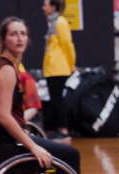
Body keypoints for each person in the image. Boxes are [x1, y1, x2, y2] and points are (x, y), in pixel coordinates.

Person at [0, 17, 95, 174]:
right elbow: (4, 117)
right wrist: (34, 146)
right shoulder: (6, 69)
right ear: (3, 39)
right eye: (13, 34)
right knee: (69, 155)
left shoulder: (3, 66)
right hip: (7, 141)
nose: (19, 38)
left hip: (2, 138)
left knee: (62, 152)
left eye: (23, 34)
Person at [42, 0, 75, 141]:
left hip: (59, 68)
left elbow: (68, 44)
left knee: (58, 100)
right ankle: (58, 128)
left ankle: (64, 129)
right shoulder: (52, 23)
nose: (43, 7)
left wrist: (71, 64)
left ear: (53, 7)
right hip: (51, 68)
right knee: (55, 100)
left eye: (46, 5)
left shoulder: (60, 23)